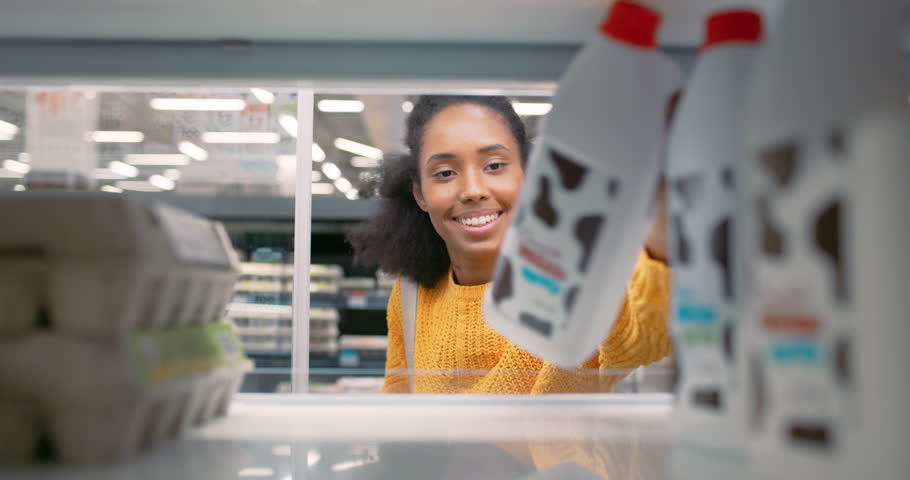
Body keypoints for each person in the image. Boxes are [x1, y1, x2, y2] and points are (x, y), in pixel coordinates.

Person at [348, 95, 671, 394]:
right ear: (420, 192)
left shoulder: (574, 281)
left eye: (495, 166)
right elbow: (401, 412)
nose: (473, 190)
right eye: (445, 173)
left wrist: (662, 218)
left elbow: (646, 336)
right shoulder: (412, 295)